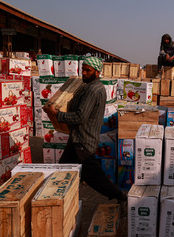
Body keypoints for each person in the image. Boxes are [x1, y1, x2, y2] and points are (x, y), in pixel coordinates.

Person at [43, 57, 127, 203]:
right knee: (64, 170)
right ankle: (62, 200)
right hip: (77, 138)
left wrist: (57, 114)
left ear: (97, 72)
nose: (84, 73)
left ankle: (119, 196)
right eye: (83, 69)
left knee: (94, 177)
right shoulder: (87, 86)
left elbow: (80, 117)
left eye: (88, 70)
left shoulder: (93, 90)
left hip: (83, 140)